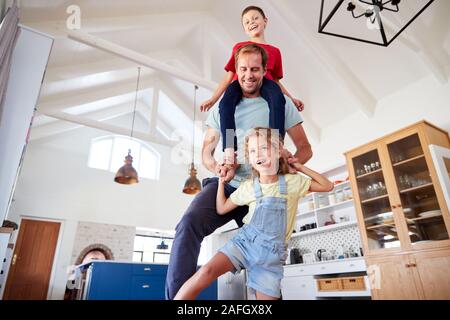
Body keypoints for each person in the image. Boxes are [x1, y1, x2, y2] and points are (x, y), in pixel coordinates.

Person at [165, 43, 312, 300]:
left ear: (265, 70)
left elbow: (305, 149)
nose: (248, 75)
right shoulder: (223, 109)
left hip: (265, 191)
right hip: (230, 186)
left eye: (255, 69)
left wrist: (286, 168)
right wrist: (220, 168)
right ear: (235, 71)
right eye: (243, 69)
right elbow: (206, 155)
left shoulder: (282, 104)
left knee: (265, 262)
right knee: (188, 224)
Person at [174, 127, 333, 300]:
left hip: (271, 256)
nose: (258, 154)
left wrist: (300, 166)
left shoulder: (292, 182)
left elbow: (327, 186)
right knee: (206, 272)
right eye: (252, 150)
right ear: (249, 158)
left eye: (264, 148)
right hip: (244, 243)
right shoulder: (249, 186)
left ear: (278, 152)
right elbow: (221, 208)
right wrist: (221, 182)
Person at [200, 5, 305, 165]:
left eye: (255, 18)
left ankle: (277, 145)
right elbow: (229, 75)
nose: (252, 22)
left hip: (266, 84)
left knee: (278, 100)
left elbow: (276, 81)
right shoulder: (239, 48)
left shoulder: (275, 51)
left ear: (265, 21)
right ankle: (229, 148)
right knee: (225, 105)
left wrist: (291, 98)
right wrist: (214, 99)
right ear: (244, 29)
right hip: (238, 86)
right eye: (247, 21)